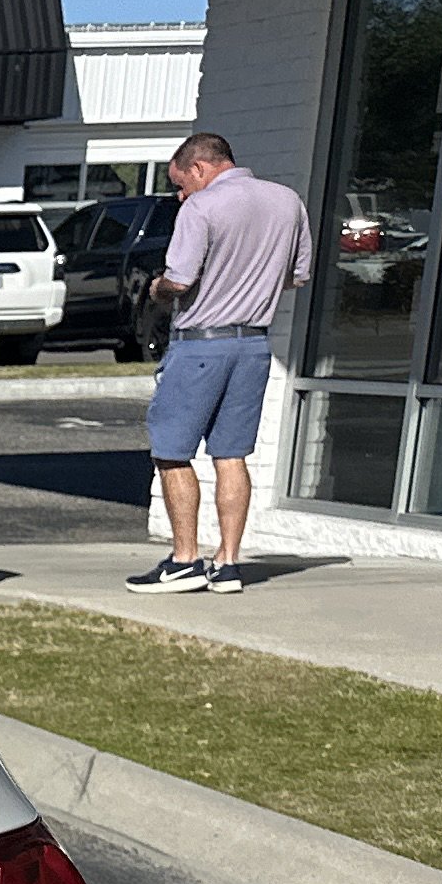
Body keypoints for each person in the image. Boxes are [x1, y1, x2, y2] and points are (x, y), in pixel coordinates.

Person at [129, 132, 310, 595]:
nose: (180, 195)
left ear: (200, 168)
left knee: (172, 451)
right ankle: (227, 563)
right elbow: (296, 276)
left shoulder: (201, 207)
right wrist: (249, 281)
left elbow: (180, 280)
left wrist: (155, 288)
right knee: (231, 455)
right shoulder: (287, 201)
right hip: (254, 344)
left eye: (180, 184)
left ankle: (184, 560)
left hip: (201, 344)